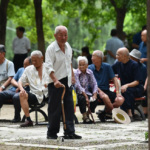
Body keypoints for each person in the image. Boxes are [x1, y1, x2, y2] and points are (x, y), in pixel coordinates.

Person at [45, 25, 82, 139]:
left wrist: (72, 76)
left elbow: (69, 62)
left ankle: (69, 131)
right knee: (55, 108)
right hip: (55, 81)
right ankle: (52, 132)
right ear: (55, 36)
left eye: (65, 35)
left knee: (69, 106)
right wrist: (55, 80)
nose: (63, 37)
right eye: (61, 35)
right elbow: (49, 67)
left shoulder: (68, 46)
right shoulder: (51, 49)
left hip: (67, 80)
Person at [88, 50, 124, 122]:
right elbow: (92, 83)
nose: (91, 58)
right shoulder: (90, 68)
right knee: (105, 97)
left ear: (99, 58)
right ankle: (111, 113)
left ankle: (104, 112)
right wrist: (101, 92)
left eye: (93, 56)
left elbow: (115, 79)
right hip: (93, 90)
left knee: (120, 100)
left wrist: (117, 92)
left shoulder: (107, 66)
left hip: (106, 90)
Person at [18, 50, 49, 127]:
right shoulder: (28, 69)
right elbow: (20, 81)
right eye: (32, 60)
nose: (34, 62)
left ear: (42, 58)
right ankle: (28, 120)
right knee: (22, 94)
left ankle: (57, 119)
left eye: (36, 60)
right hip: (35, 94)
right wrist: (22, 89)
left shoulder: (48, 67)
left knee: (58, 93)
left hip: (48, 92)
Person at [112, 48, 143, 122]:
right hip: (124, 89)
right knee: (125, 91)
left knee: (125, 91)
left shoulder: (134, 65)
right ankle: (133, 113)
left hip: (136, 88)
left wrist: (127, 85)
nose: (116, 56)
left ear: (124, 56)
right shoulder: (118, 64)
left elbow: (137, 82)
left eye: (118, 55)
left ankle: (129, 113)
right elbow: (109, 71)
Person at [0, 57, 32, 122]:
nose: (24, 66)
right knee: (1, 94)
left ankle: (17, 117)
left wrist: (22, 86)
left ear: (31, 64)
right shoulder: (20, 69)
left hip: (25, 91)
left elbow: (33, 83)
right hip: (14, 89)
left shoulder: (33, 71)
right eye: (24, 64)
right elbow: (12, 80)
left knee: (16, 97)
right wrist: (19, 86)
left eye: (26, 64)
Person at [74, 56, 98, 124]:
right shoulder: (76, 72)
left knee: (95, 99)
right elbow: (77, 85)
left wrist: (95, 94)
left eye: (83, 65)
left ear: (87, 65)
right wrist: (86, 96)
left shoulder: (89, 72)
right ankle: (84, 116)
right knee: (82, 99)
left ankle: (88, 114)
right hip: (78, 93)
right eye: (80, 65)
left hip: (87, 92)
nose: (81, 66)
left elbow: (94, 83)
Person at [129, 49, 147, 121]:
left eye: (131, 58)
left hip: (138, 87)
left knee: (128, 92)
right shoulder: (129, 64)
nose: (129, 59)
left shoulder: (142, 67)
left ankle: (132, 113)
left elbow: (140, 81)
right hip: (130, 86)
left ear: (135, 59)